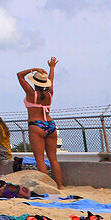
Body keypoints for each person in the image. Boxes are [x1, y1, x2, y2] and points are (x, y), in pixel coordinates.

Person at [19, 57, 62, 188]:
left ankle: (44, 186)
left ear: (35, 82)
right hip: (50, 125)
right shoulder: (49, 94)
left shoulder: (31, 93)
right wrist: (52, 68)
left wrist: (34, 69)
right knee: (53, 159)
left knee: (40, 159)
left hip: (36, 125)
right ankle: (60, 186)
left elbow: (19, 76)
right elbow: (51, 81)